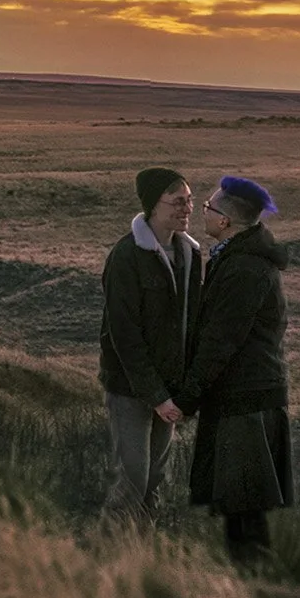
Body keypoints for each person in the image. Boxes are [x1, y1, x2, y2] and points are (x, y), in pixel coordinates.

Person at [174, 175, 292, 565]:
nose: (201, 213)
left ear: (224, 220)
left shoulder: (243, 268)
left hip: (244, 400)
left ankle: (256, 595)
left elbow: (220, 341)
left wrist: (187, 398)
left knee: (243, 508)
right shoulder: (242, 259)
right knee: (241, 507)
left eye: (207, 208)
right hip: (245, 395)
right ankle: (253, 592)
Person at [98, 166, 203, 521]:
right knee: (131, 481)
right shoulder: (126, 258)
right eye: (177, 202)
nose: (187, 209)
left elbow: (190, 325)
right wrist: (156, 397)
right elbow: (124, 336)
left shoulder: (190, 256)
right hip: (130, 388)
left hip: (169, 388)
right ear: (152, 206)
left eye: (190, 201)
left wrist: (182, 392)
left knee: (154, 481)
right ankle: (110, 561)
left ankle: (144, 558)